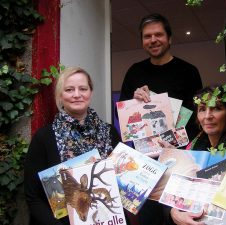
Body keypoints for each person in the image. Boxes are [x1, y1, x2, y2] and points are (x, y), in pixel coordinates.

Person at [118, 13, 203, 225]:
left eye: (158, 34)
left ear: (170, 38)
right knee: (150, 219)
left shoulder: (189, 72)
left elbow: (198, 118)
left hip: (181, 160)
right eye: (147, 36)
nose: (153, 40)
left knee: (181, 217)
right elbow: (125, 119)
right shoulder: (134, 72)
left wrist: (178, 146)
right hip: (146, 164)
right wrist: (135, 101)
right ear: (142, 41)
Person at [24, 67, 122, 225]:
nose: (77, 94)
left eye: (83, 88)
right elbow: (33, 197)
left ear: (90, 92)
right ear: (60, 96)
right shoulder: (44, 137)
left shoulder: (109, 132)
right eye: (69, 89)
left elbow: (123, 179)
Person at [163, 86, 226, 225]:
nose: (207, 116)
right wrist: (173, 214)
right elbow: (174, 199)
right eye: (202, 109)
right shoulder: (192, 148)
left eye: (217, 108)